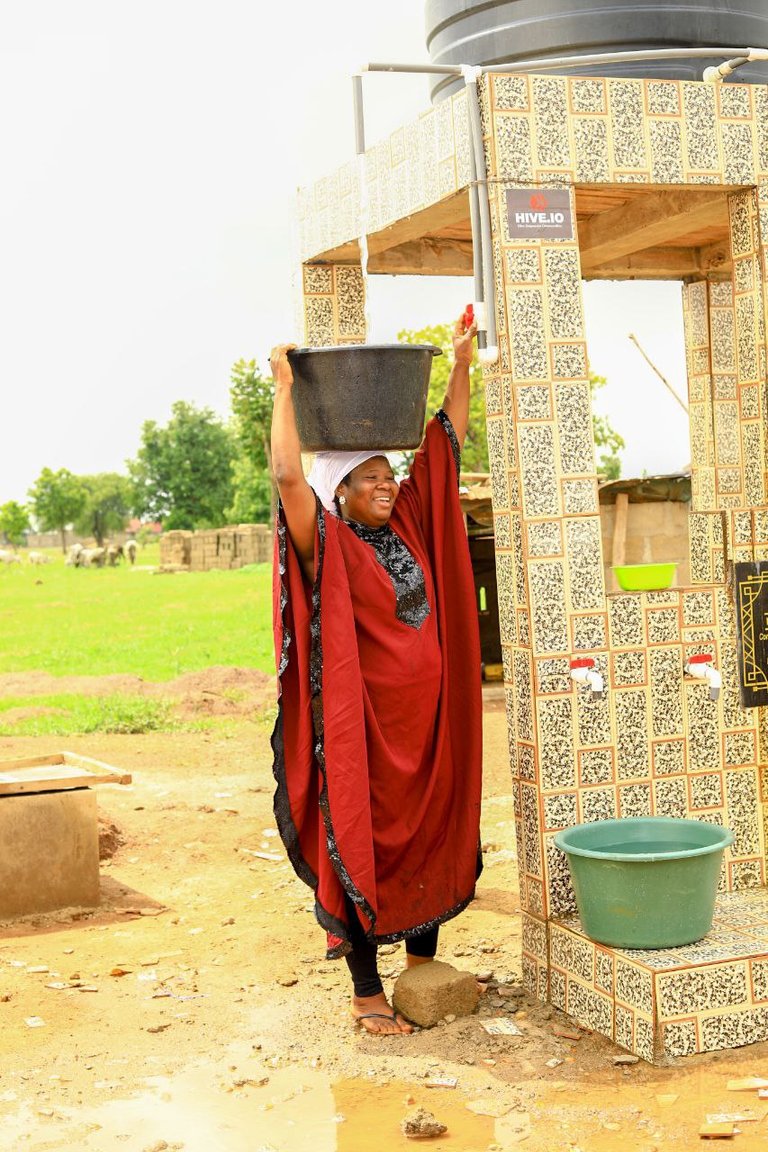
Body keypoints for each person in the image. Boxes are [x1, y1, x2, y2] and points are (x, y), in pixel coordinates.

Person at [269, 314, 483, 1035]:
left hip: (426, 732)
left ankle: (423, 967)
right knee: (360, 839)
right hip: (367, 737)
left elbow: (443, 446)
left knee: (432, 830)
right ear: (342, 491)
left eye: (389, 475)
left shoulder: (411, 524)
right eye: (371, 479)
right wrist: (282, 391)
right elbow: (286, 475)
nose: (388, 486)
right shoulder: (326, 546)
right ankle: (367, 997)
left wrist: (461, 366)